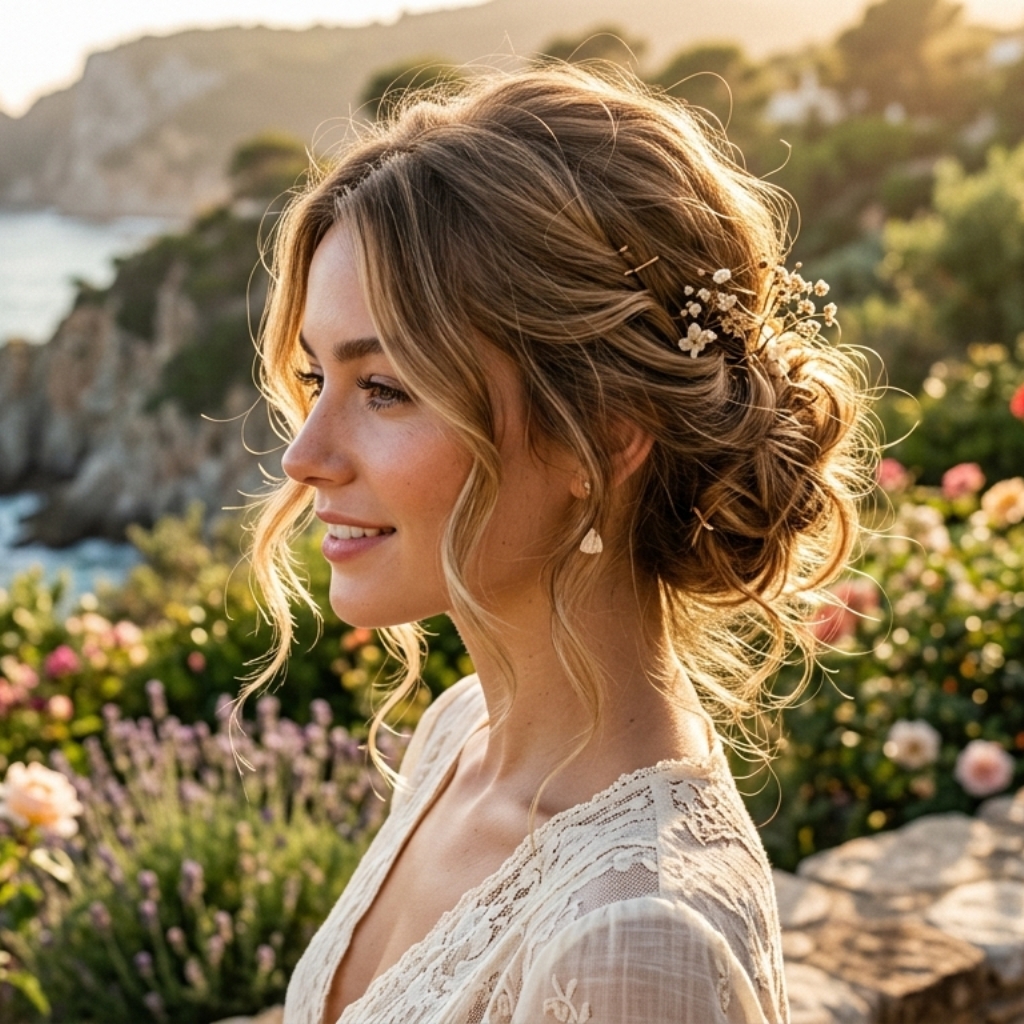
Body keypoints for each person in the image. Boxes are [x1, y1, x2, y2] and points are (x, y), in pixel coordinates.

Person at [243, 63, 870, 1024]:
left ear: (605, 433)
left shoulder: (633, 942)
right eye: (313, 375)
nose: (305, 455)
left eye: (386, 389)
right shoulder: (461, 736)